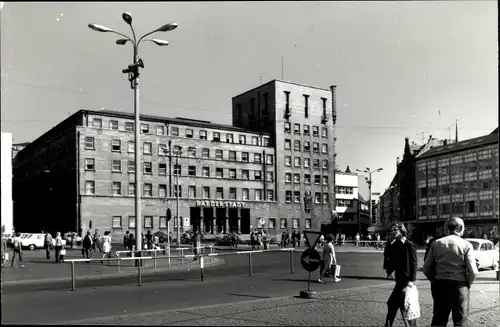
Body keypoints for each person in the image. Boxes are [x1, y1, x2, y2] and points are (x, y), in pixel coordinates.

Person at [423, 217, 479, 327]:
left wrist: (433, 280)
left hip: (440, 285)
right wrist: (468, 284)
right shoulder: (466, 245)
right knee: (459, 321)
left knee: (439, 319)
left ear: (446, 229)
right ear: (461, 228)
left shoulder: (436, 243)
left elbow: (426, 268)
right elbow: (474, 271)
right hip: (459, 285)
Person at [384, 222, 418, 327]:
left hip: (406, 280)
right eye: (391, 230)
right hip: (399, 278)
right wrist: (389, 243)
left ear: (401, 230)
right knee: (403, 305)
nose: (393, 232)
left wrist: (412, 280)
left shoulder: (409, 245)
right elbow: (390, 258)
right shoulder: (395, 244)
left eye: (395, 230)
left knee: (394, 304)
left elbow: (414, 263)